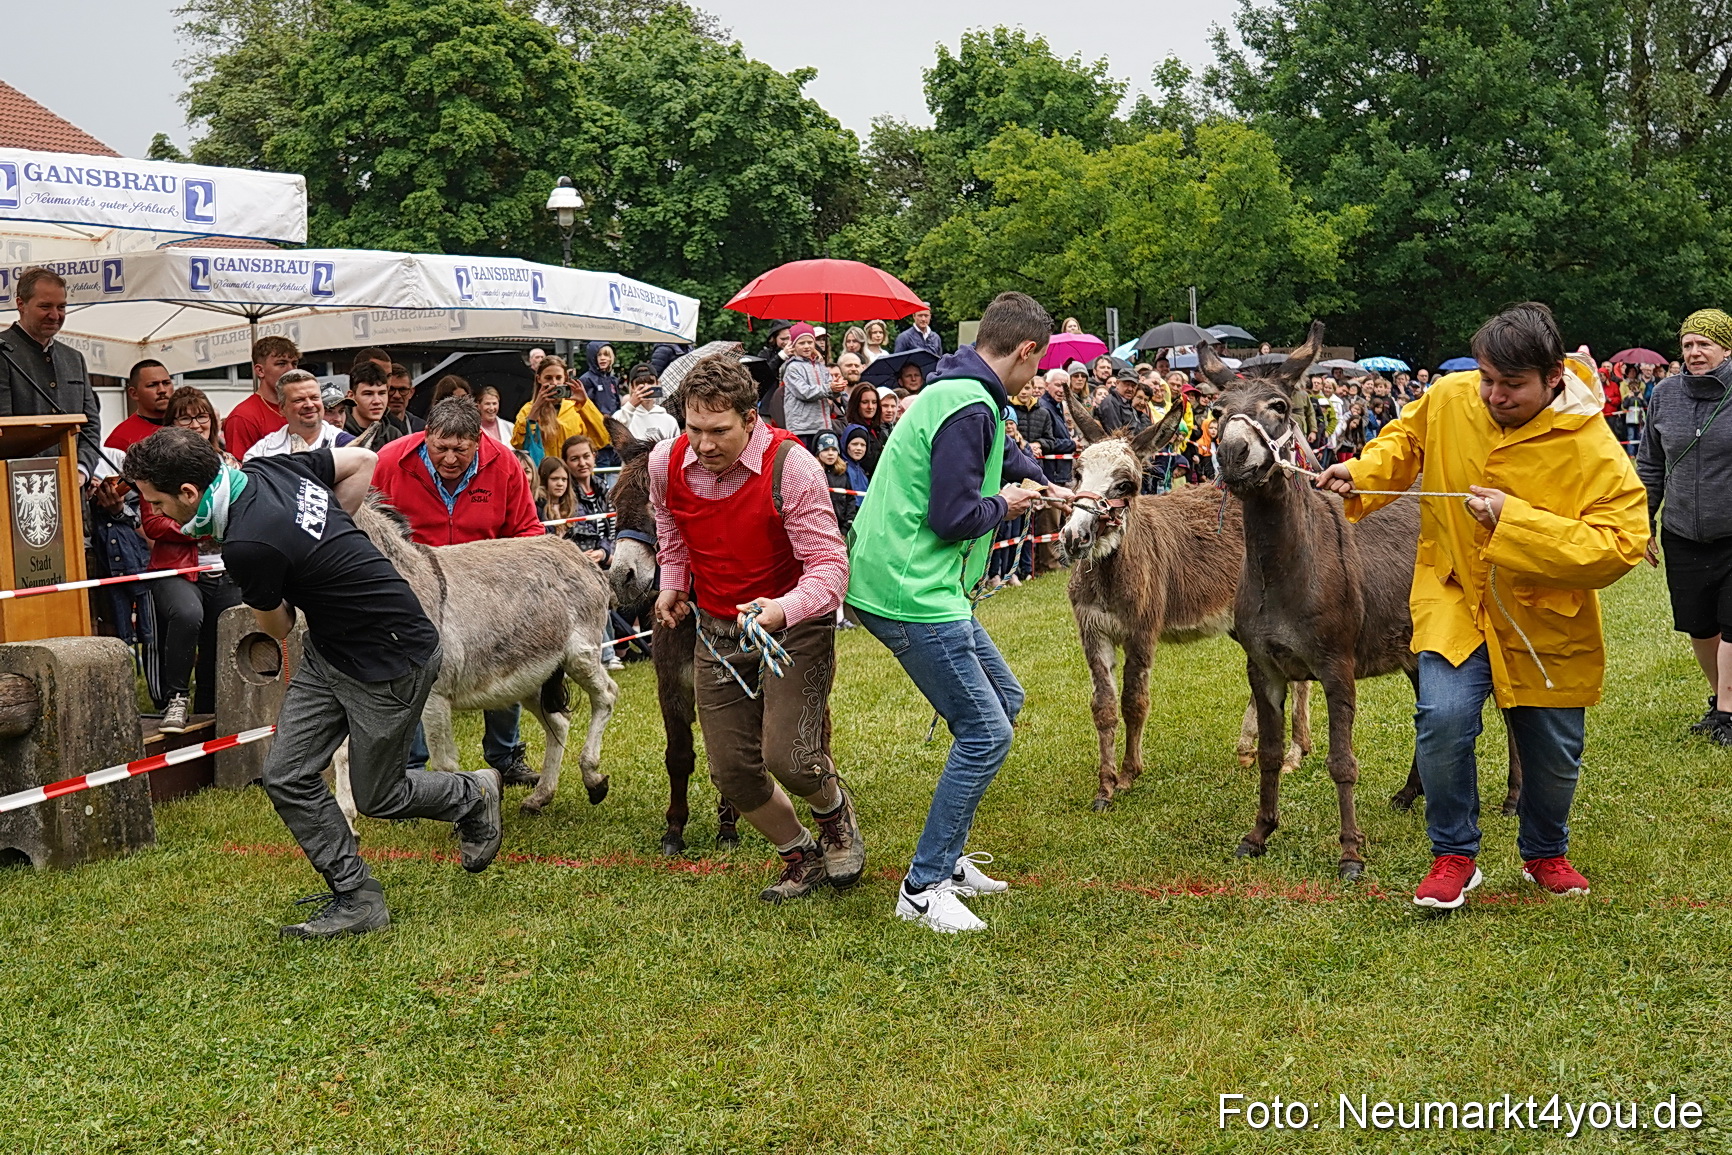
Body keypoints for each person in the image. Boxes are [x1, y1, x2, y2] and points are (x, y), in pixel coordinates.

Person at [1316, 302, 1648, 909]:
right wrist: (1363, 473)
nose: (1493, 395)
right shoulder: (1450, 396)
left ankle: (1545, 852)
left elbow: (1621, 543)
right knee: (1441, 721)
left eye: (1511, 385)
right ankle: (1454, 854)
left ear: (1553, 377)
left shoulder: (1594, 445)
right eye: (1487, 378)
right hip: (1453, 596)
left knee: (1553, 752)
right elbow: (1406, 439)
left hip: (1544, 617)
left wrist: (1513, 521)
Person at [124, 429, 503, 938]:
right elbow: (361, 461)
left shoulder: (248, 545)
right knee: (286, 774)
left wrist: (308, 556)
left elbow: (277, 626)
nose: (159, 514)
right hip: (333, 649)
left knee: (378, 797)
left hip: (392, 658)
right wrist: (323, 542)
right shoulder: (267, 470)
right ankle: (357, 897)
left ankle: (472, 794)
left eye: (158, 502)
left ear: (189, 494)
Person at [846, 290, 1073, 934]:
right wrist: (1010, 504)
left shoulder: (967, 390)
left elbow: (1006, 451)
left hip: (926, 588)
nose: (1035, 379)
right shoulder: (967, 403)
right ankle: (923, 886)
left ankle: (945, 863)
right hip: (909, 593)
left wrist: (1052, 483)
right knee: (987, 731)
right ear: (1026, 351)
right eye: (1038, 364)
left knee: (1005, 700)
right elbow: (953, 517)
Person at [649, 354, 861, 902]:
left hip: (791, 625)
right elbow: (670, 523)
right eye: (693, 429)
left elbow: (831, 568)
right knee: (733, 774)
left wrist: (782, 609)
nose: (703, 444)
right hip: (717, 632)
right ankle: (800, 855)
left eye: (718, 431)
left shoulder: (792, 465)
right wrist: (674, 578)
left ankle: (835, 819)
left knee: (790, 757)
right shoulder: (663, 462)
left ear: (750, 418)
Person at [372, 398, 545, 785]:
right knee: (412, 673)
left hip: (486, 588)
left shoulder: (504, 462)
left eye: (461, 450)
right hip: (413, 588)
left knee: (503, 662)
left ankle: (505, 755)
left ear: (478, 442)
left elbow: (528, 531)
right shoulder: (390, 461)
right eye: (440, 448)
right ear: (426, 437)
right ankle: (412, 766)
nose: (449, 459)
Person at [1636, 309, 1732, 744]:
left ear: (1726, 349)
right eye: (1688, 344)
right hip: (1682, 532)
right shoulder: (1665, 394)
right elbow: (1650, 464)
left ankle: (1728, 713)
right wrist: (1645, 523)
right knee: (1699, 623)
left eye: (1704, 344)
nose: (1694, 352)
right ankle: (1720, 700)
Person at [140, 401, 243, 732]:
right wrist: (200, 526)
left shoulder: (229, 463)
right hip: (175, 569)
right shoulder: (154, 469)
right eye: (186, 417)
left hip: (224, 568)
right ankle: (176, 699)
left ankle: (213, 714)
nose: (197, 423)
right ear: (171, 426)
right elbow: (153, 524)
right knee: (187, 615)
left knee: (223, 635)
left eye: (203, 416)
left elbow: (239, 514)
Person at [0, 267, 104, 481]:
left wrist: (81, 470)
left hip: (74, 493)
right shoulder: (3, 353)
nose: (55, 315)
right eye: (45, 306)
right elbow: (6, 432)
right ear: (21, 305)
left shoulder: (74, 358)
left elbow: (90, 425)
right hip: (19, 490)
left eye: (62, 307)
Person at [513, 355, 608, 464]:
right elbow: (518, 444)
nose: (554, 383)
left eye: (558, 378)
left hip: (574, 475)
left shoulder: (575, 408)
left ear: (565, 378)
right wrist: (536, 409)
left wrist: (585, 403)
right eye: (548, 378)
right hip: (545, 475)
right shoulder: (528, 409)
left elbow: (603, 438)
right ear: (539, 379)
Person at [222, 336, 301, 460]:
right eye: (281, 364)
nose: (291, 370)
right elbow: (240, 471)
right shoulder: (243, 417)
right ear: (260, 371)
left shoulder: (302, 407)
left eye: (294, 363)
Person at [244, 372, 353, 460]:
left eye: (314, 398)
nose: (309, 405)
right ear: (282, 408)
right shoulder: (262, 451)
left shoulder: (345, 444)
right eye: (299, 400)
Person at [779, 323, 837, 451]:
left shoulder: (820, 366)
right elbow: (805, 393)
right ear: (793, 345)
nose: (807, 346)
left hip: (823, 426)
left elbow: (830, 391)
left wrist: (837, 389)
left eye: (810, 342)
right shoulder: (792, 367)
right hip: (802, 428)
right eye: (802, 343)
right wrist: (830, 388)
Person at [106, 360, 175, 453]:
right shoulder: (120, 440)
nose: (162, 390)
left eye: (166, 383)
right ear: (134, 393)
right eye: (152, 385)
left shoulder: (190, 424)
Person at [616, 364, 680, 443]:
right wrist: (631, 405)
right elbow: (612, 433)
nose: (646, 387)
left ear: (657, 383)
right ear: (632, 387)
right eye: (640, 383)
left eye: (650, 382)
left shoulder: (669, 420)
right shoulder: (623, 415)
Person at [343, 361, 394, 447]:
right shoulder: (336, 433)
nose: (377, 401)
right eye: (368, 394)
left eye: (382, 393)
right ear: (351, 396)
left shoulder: (393, 436)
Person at [816, 431, 856, 534]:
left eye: (834, 449)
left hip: (842, 528)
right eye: (825, 449)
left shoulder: (843, 473)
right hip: (822, 529)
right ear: (818, 452)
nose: (830, 453)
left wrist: (846, 527)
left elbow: (850, 500)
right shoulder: (815, 474)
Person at [843, 382, 886, 474]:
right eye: (865, 402)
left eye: (874, 402)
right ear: (856, 404)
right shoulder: (855, 431)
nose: (870, 407)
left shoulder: (879, 429)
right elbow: (867, 464)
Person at [1095, 369, 1146, 434]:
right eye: (1127, 384)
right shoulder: (1111, 402)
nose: (1130, 389)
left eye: (1133, 386)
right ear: (1117, 383)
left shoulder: (1127, 402)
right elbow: (1116, 433)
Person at [381, 362, 424, 439]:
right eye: (391, 389)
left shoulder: (421, 428)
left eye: (403, 390)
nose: (397, 396)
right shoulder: (373, 427)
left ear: (411, 392)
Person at [536, 455, 578, 533]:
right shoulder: (538, 507)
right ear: (544, 480)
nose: (560, 484)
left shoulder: (572, 505)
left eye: (564, 479)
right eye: (554, 479)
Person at [581, 342, 622, 416]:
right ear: (593, 358)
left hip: (613, 423)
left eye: (606, 355)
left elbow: (616, 403)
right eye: (599, 355)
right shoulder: (586, 379)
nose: (603, 358)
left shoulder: (613, 380)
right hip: (596, 422)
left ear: (611, 358)